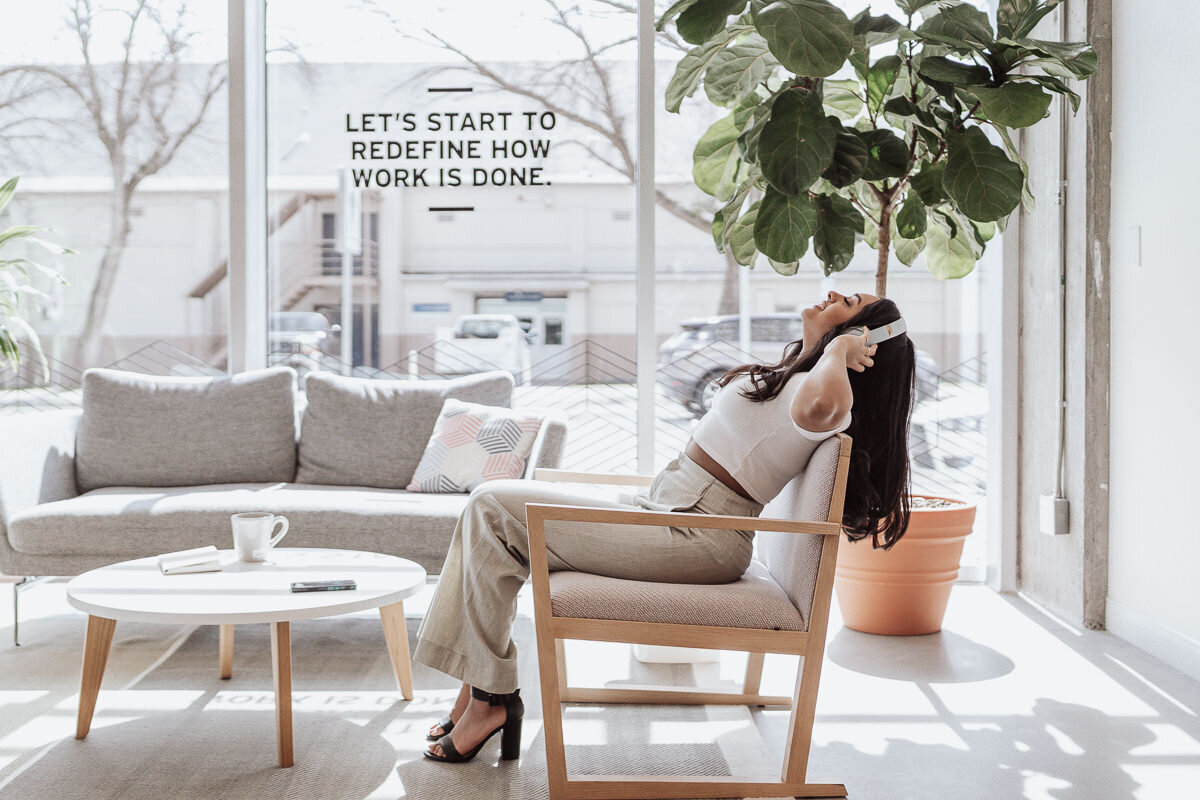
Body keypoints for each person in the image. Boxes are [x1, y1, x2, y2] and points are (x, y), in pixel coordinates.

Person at [414, 290, 916, 763]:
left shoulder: (829, 394)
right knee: (492, 520)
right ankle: (480, 696)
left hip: (699, 533)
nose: (831, 296)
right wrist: (821, 346)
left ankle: (489, 701)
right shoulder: (803, 373)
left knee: (492, 506)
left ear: (864, 340)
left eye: (848, 303)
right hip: (667, 507)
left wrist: (839, 351)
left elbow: (824, 407)